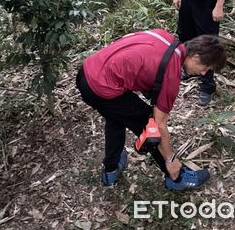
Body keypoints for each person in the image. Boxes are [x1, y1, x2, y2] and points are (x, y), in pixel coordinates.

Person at [76, 28, 226, 190]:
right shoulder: (171, 74)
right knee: (149, 126)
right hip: (100, 88)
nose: (203, 73)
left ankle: (111, 170)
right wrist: (170, 158)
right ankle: (176, 176)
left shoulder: (162, 36)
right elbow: (159, 124)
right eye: (205, 68)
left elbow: (135, 57)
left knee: (117, 115)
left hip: (87, 71)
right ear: (195, 57)